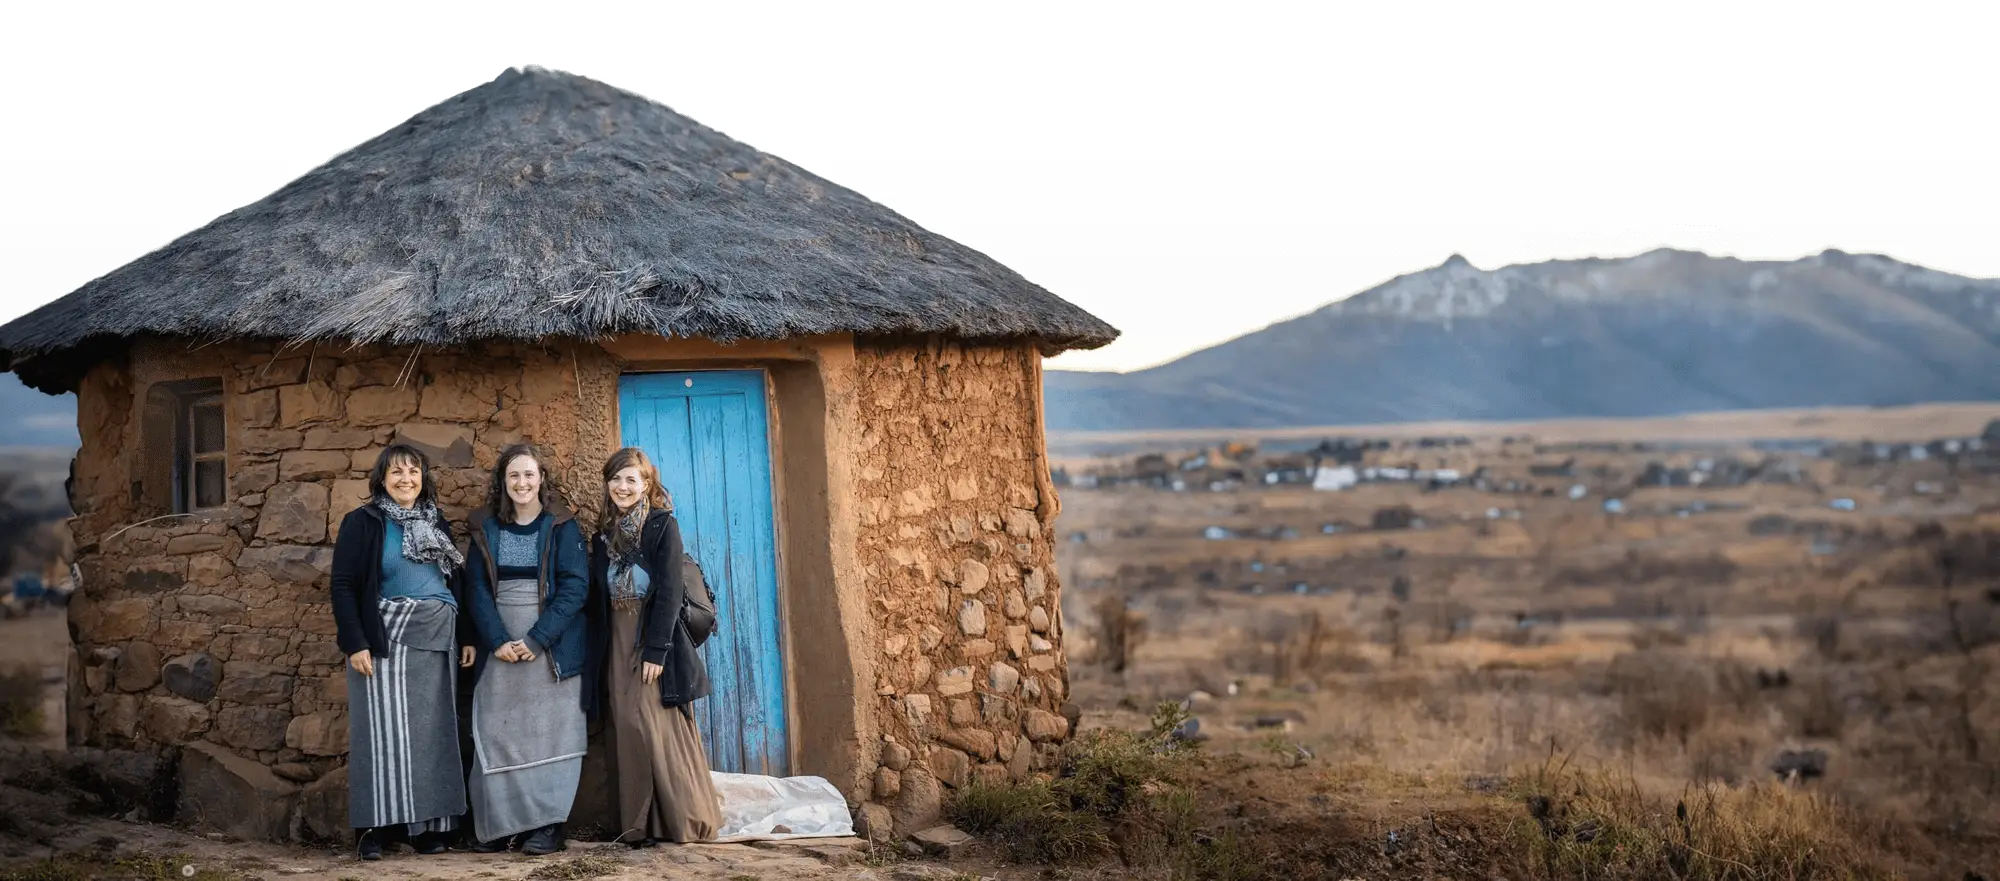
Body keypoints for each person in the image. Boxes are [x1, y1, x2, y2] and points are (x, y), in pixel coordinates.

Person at [329, 444, 474, 860]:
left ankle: (426, 829)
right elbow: (343, 585)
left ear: (424, 478)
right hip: (381, 639)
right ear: (381, 479)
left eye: (413, 471)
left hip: (436, 639)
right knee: (380, 734)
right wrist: (355, 641)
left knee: (431, 733)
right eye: (396, 472)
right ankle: (374, 831)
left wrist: (467, 636)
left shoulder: (437, 524)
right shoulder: (363, 522)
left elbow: (454, 584)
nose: (406, 479)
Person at [588, 447, 723, 846]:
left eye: (632, 479)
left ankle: (682, 820)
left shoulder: (663, 526)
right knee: (625, 728)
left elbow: (669, 591)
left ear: (646, 484)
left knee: (651, 724)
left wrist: (656, 651)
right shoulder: (602, 537)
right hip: (616, 637)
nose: (623, 486)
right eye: (616, 479)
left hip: (648, 639)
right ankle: (638, 825)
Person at [461, 444, 590, 856]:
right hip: (499, 648)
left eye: (529, 475)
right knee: (500, 734)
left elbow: (575, 587)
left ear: (541, 480)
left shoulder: (563, 525)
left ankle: (548, 827)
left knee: (551, 735)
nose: (522, 483)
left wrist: (537, 639)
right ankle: (501, 828)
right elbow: (476, 588)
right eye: (514, 476)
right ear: (503, 481)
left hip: (549, 648)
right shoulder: (485, 527)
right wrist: (497, 640)